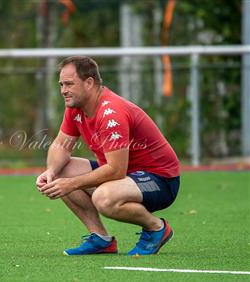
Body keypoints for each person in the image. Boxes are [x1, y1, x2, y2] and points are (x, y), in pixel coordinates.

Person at [36, 56, 180, 256]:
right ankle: (101, 239)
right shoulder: (75, 107)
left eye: (69, 84)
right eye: (61, 84)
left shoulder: (112, 112)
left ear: (89, 83)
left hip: (160, 180)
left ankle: (156, 228)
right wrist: (51, 172)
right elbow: (61, 145)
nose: (63, 90)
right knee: (61, 171)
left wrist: (71, 184)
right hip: (126, 175)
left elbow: (115, 170)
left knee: (104, 198)